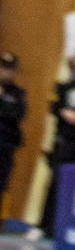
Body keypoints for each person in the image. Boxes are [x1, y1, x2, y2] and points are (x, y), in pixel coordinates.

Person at [0, 52, 26, 213]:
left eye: (10, 69)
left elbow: (17, 114)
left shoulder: (18, 93)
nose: (6, 72)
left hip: (5, 144)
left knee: (2, 182)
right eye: (3, 68)